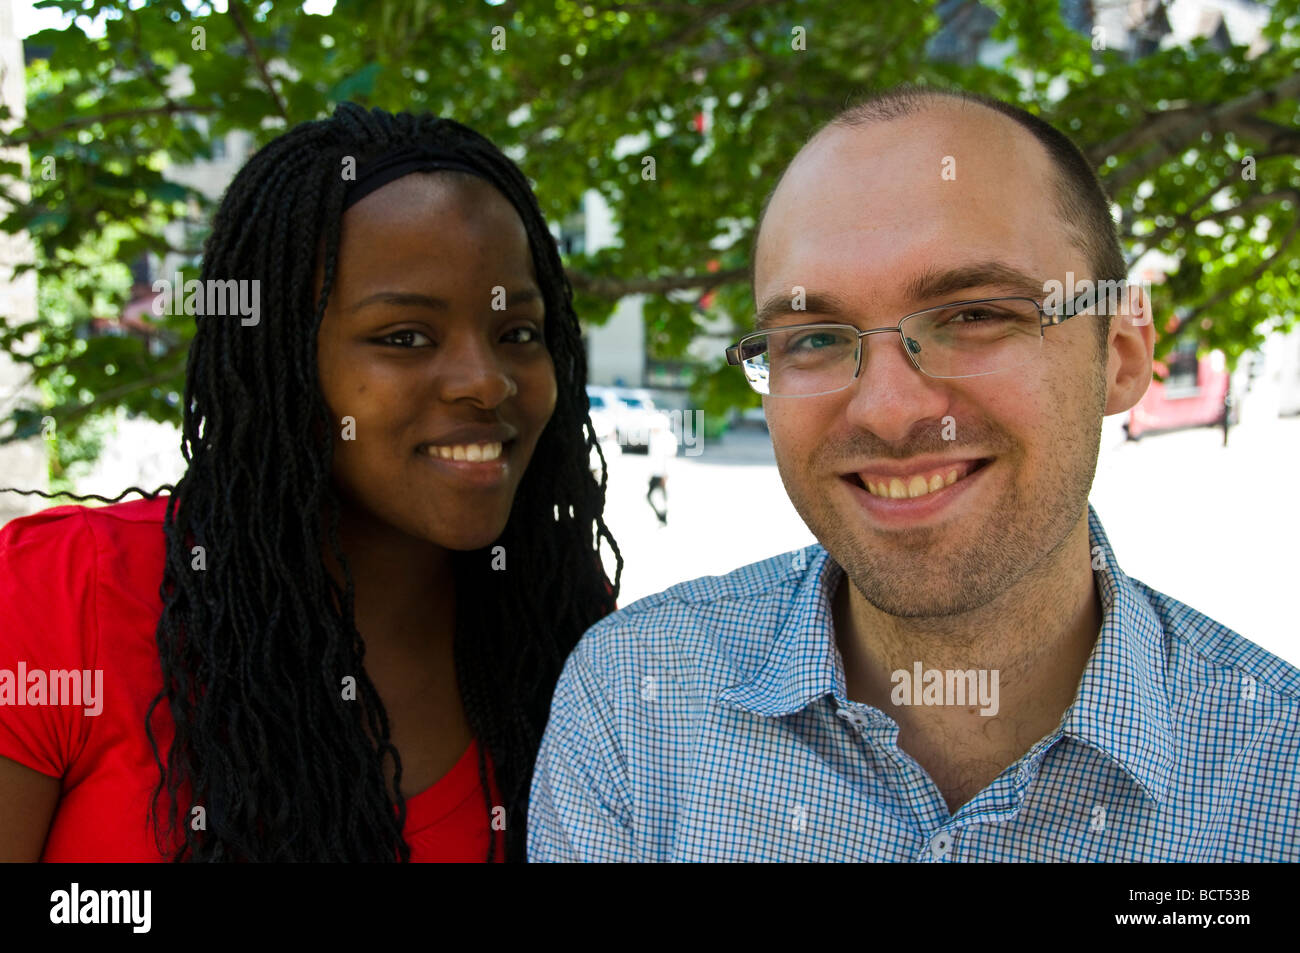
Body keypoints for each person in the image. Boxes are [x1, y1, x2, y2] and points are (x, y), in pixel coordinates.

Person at [528, 85, 1299, 862]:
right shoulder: (635, 704)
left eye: (974, 314)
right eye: (816, 339)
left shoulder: (1279, 771)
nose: (889, 411)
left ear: (1122, 355)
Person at [0, 102, 620, 862]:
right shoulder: (61, 603)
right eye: (405, 336)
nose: (485, 382)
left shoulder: (573, 645)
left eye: (517, 334)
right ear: (281, 366)